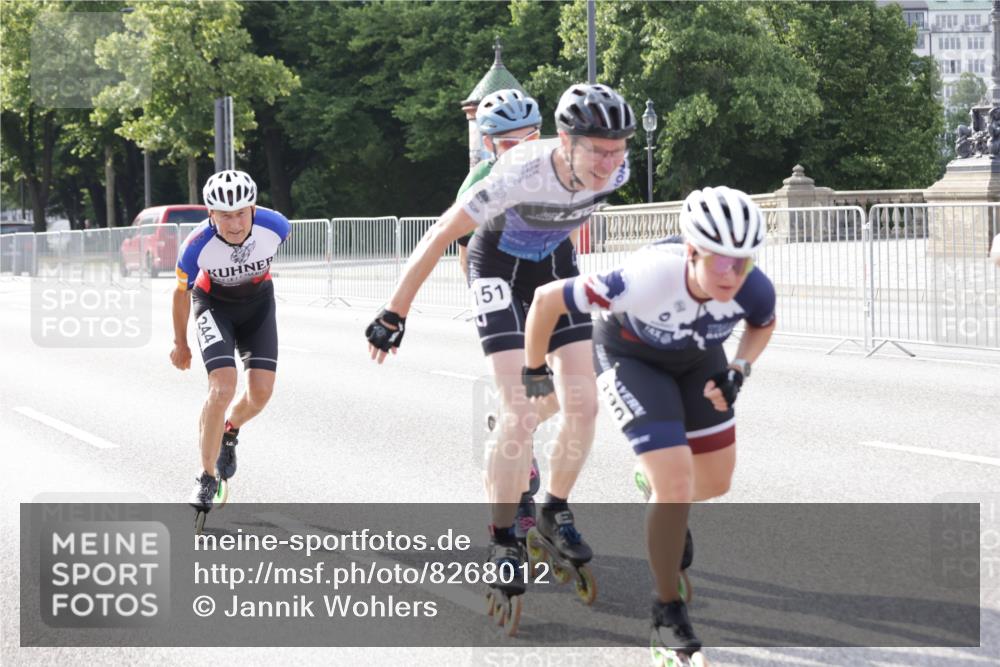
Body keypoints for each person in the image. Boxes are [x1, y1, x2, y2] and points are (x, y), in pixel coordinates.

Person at [365, 83, 636, 624]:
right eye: (598, 151)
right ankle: (504, 539)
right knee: (520, 407)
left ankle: (553, 508)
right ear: (565, 141)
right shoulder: (516, 173)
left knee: (583, 403)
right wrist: (395, 311)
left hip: (553, 268)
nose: (610, 163)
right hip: (496, 270)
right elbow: (444, 232)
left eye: (619, 149)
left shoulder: (620, 170)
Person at [522, 186, 775, 661]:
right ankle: (666, 614)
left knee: (717, 482)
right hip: (630, 356)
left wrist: (739, 367)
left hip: (699, 359)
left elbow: (763, 323)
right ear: (692, 251)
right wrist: (535, 370)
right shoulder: (643, 278)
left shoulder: (753, 286)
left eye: (742, 263)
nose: (731, 274)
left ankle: (656, 484)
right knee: (675, 483)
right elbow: (544, 300)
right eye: (720, 261)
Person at [170, 169, 291, 519]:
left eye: (241, 213)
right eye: (225, 215)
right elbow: (181, 295)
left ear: (253, 208)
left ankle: (230, 429)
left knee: (260, 395)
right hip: (213, 305)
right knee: (222, 388)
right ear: (211, 214)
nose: (235, 223)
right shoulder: (195, 247)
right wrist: (181, 343)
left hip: (257, 305)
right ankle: (206, 476)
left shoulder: (278, 226)